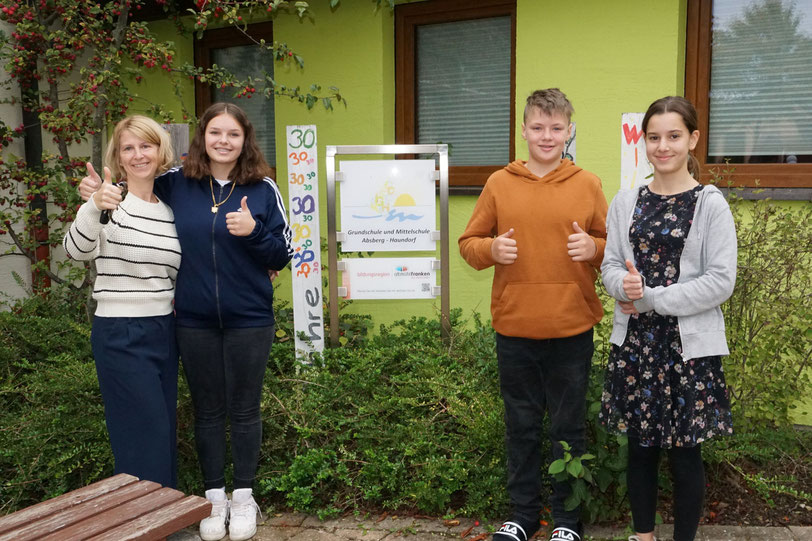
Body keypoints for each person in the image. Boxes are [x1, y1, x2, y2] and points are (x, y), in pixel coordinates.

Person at [80, 103, 293, 541]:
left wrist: (254, 231)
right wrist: (95, 192)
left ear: (244, 139)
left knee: (245, 409)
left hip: (249, 319)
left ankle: (243, 496)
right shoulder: (178, 184)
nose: (223, 141)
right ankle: (214, 496)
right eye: (215, 132)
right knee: (208, 410)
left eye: (232, 134)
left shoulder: (264, 188)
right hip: (192, 320)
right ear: (203, 137)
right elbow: (133, 183)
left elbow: (281, 256)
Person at [459, 88, 608, 541]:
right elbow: (468, 244)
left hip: (572, 328)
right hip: (516, 329)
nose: (547, 136)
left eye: (556, 128)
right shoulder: (498, 184)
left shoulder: (588, 184)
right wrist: (492, 248)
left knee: (568, 429)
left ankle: (566, 521)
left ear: (569, 131)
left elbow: (612, 248)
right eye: (538, 127)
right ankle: (522, 516)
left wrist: (594, 248)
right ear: (523, 130)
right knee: (520, 427)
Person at [598, 96, 736, 541]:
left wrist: (652, 298)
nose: (663, 146)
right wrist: (624, 288)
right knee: (640, 449)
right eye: (654, 137)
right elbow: (611, 267)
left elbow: (720, 281)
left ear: (692, 139)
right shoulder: (626, 201)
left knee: (684, 455)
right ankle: (643, 536)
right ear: (644, 141)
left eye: (673, 136)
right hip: (637, 345)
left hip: (687, 349)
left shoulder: (709, 204)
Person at [64, 115, 181, 488]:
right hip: (120, 332)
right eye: (128, 148)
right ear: (118, 155)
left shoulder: (170, 211)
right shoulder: (109, 200)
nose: (138, 155)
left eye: (145, 145)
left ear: (161, 150)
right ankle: (146, 520)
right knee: (140, 432)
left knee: (162, 429)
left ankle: (160, 514)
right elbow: (74, 250)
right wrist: (95, 206)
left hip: (165, 330)